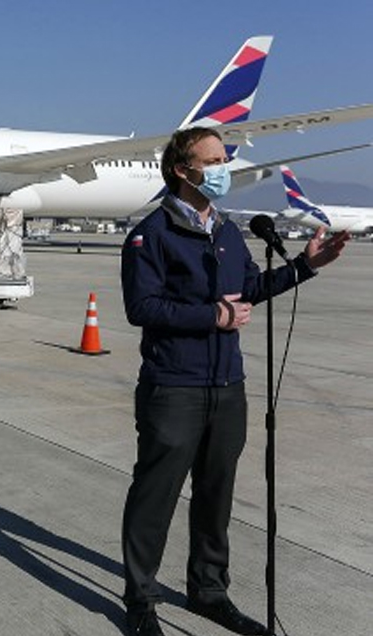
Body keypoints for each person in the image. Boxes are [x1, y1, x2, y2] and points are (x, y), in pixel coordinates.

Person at [119, 127, 349, 636]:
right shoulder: (151, 234)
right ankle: (140, 600)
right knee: (155, 495)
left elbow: (249, 289)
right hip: (173, 387)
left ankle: (208, 590)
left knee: (216, 493)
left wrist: (305, 266)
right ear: (182, 170)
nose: (224, 169)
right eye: (214, 161)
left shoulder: (226, 231)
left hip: (227, 387)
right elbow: (142, 308)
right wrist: (212, 316)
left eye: (224, 159)